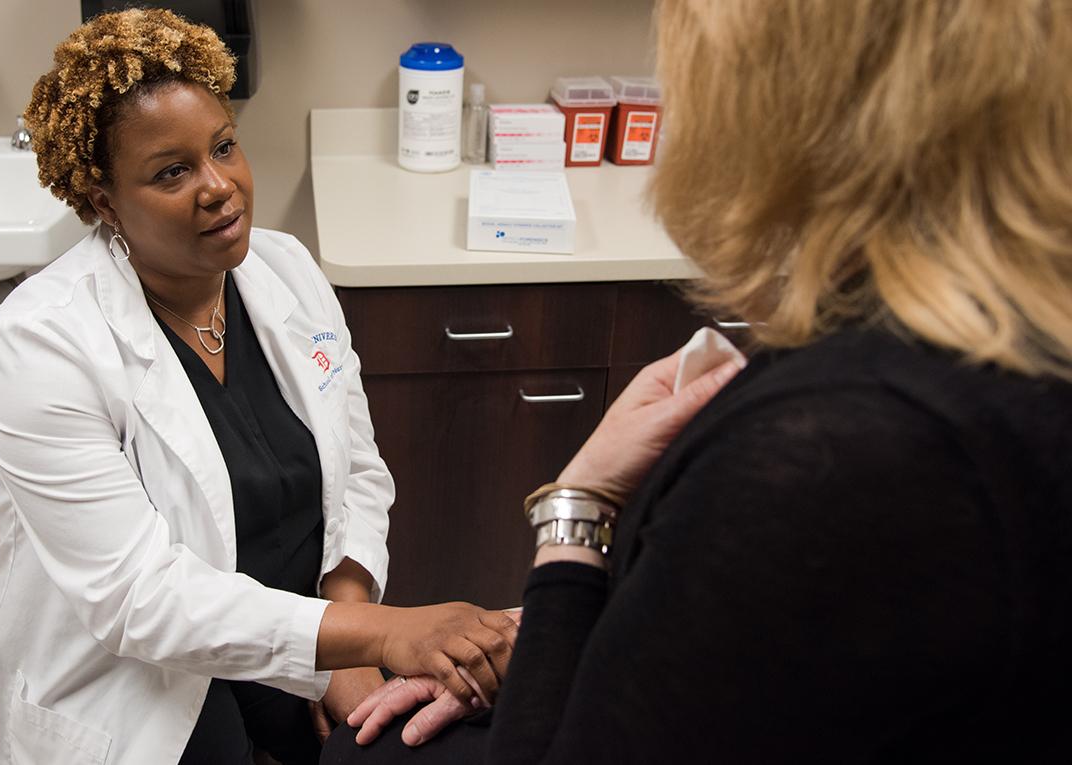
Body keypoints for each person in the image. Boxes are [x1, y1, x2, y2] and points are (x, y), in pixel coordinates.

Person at [324, 0, 1072, 762]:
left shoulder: (841, 445)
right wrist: (543, 629)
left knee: (361, 749)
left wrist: (578, 505)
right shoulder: (996, 346)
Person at [0, 10, 516, 765]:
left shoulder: (287, 270)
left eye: (224, 147)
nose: (219, 186)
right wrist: (387, 631)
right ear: (104, 203)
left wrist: (348, 627)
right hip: (144, 674)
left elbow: (356, 470)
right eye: (173, 171)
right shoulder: (41, 347)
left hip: (301, 624)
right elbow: (141, 599)